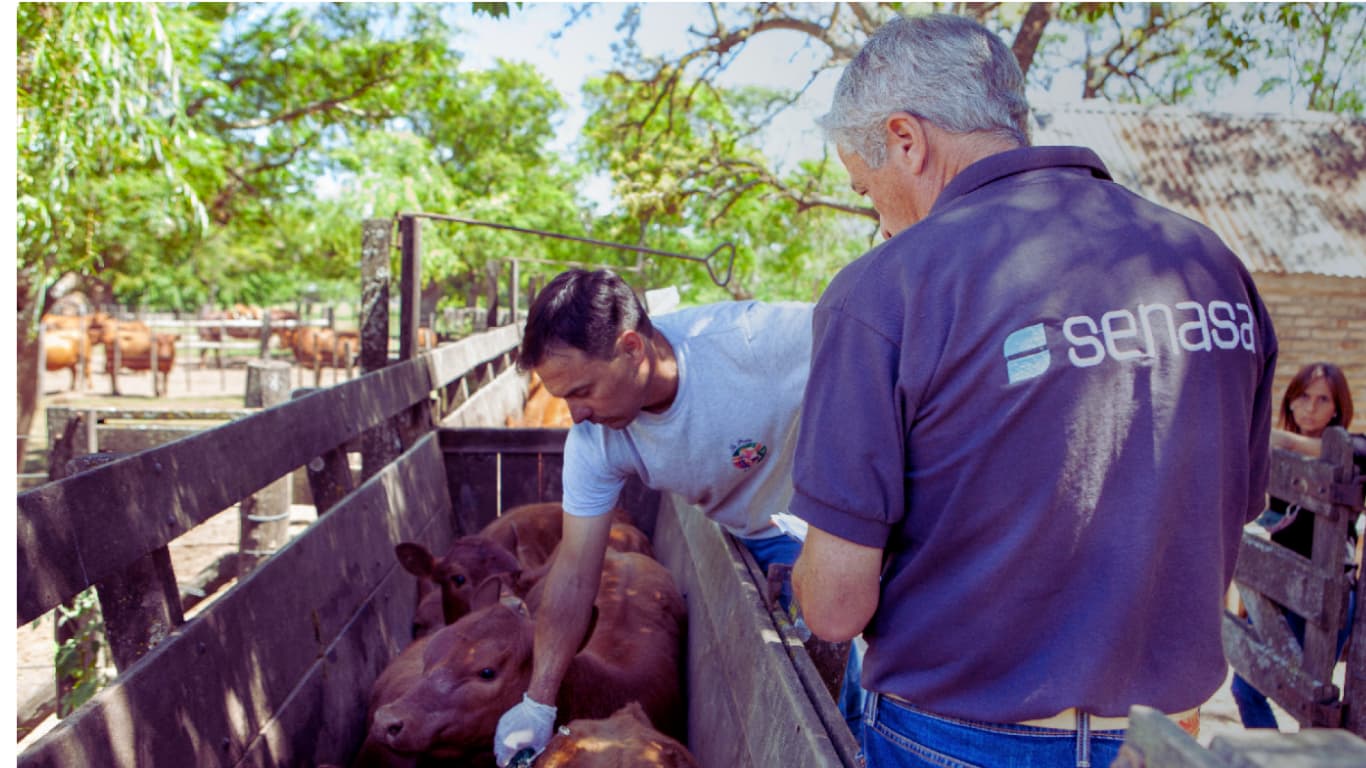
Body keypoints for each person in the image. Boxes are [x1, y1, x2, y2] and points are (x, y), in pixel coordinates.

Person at [788, 13, 1278, 768]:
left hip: (956, 737)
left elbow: (833, 607)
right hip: (1159, 739)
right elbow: (1225, 511)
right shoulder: (1208, 263)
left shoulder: (884, 290)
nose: (879, 222)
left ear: (907, 140)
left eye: (867, 188)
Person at [491, 268, 813, 766]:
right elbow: (575, 571)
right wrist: (538, 701)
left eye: (582, 391)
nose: (574, 415)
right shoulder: (595, 441)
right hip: (757, 534)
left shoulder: (758, 343)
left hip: (833, 521)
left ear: (632, 348)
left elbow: (875, 344)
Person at [1231, 362, 1359, 728]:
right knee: (1246, 687)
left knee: (1309, 703)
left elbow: (1352, 451)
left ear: (1337, 408)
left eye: (1323, 400)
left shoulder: (1352, 452)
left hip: (1327, 601)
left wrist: (1277, 438)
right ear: (1289, 401)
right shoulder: (1277, 459)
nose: (1311, 407)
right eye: (1303, 396)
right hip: (1282, 591)